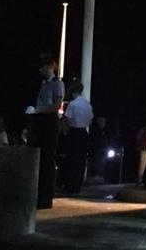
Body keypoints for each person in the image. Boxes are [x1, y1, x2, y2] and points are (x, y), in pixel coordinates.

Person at [29, 52, 65, 209]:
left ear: (50, 66)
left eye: (43, 66)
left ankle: (46, 197)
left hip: (50, 122)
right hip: (41, 122)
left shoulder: (57, 84)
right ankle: (39, 195)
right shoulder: (44, 84)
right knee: (39, 158)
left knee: (47, 160)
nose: (41, 70)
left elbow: (57, 106)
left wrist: (38, 110)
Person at [63, 79, 93, 194]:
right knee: (81, 160)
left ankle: (70, 185)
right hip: (84, 133)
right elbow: (90, 121)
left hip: (74, 133)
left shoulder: (72, 104)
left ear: (73, 92)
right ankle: (78, 186)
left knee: (71, 160)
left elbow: (67, 120)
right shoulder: (88, 104)